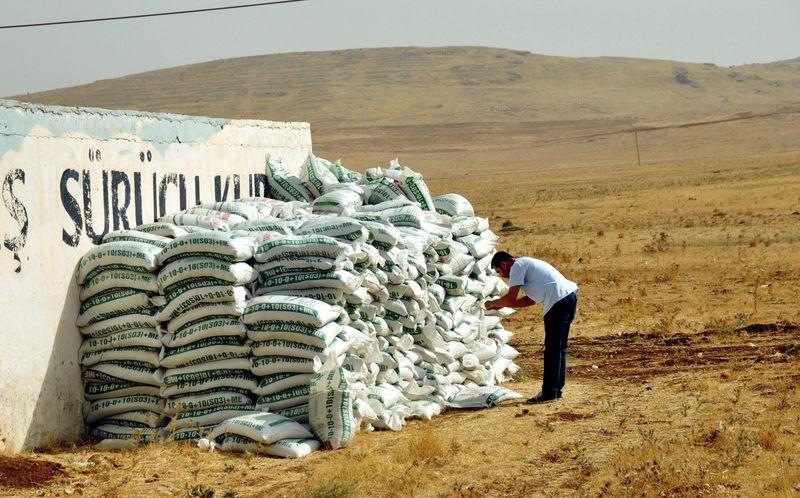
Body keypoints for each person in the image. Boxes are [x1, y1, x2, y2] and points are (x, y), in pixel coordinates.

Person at [485, 251, 578, 404]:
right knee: (559, 348)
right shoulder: (526, 266)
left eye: (499, 272)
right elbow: (528, 301)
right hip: (567, 298)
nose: (502, 276)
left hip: (557, 302)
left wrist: (491, 304)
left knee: (553, 350)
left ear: (504, 264)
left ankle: (549, 393)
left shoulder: (517, 266)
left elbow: (510, 298)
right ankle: (555, 391)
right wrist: (502, 304)